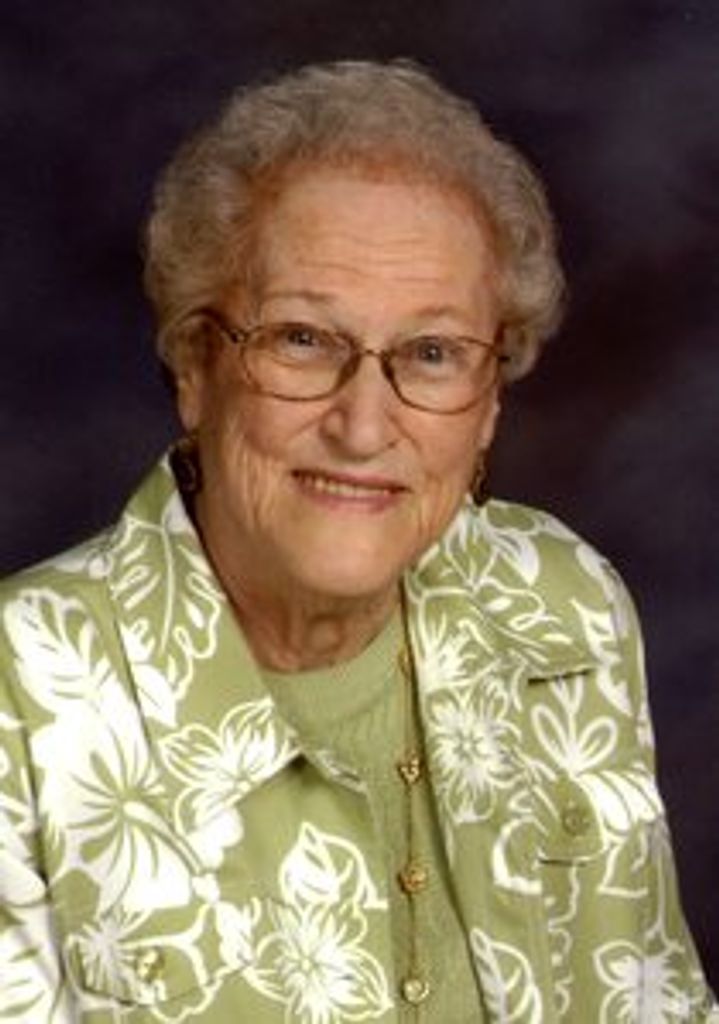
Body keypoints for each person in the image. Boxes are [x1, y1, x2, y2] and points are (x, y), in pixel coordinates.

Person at [0, 59, 715, 1024]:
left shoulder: (560, 607)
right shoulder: (23, 698)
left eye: (431, 354)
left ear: (488, 402)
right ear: (196, 367)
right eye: (302, 339)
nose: (365, 425)